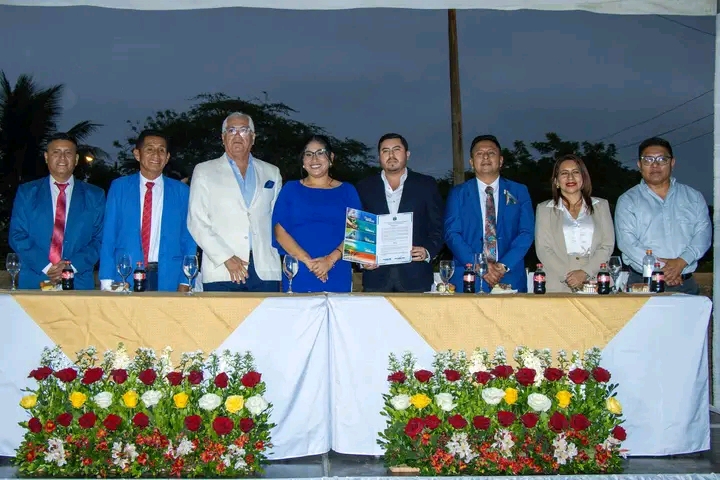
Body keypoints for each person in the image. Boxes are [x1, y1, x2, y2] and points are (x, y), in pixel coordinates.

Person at [188, 112, 282, 292]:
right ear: (223, 138)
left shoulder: (272, 172)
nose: (237, 135)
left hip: (265, 270)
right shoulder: (204, 171)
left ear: (253, 137)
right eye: (231, 130)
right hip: (222, 269)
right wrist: (226, 257)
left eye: (244, 130)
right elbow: (196, 221)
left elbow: (277, 221)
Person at [98, 130, 197, 292]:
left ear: (167, 157)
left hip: (169, 276)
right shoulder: (119, 187)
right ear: (137, 154)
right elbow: (109, 235)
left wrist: (186, 280)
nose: (156, 155)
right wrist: (107, 280)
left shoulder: (182, 191)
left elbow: (189, 238)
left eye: (161, 150)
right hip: (125, 274)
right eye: (150, 149)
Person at [8, 133, 105, 290]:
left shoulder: (95, 195)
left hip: (78, 282)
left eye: (68, 153)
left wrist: (70, 267)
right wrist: (46, 266)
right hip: (35, 280)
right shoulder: (27, 192)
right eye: (56, 152)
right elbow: (17, 235)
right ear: (46, 157)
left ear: (76, 159)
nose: (62, 158)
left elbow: (100, 239)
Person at [615, 137, 710, 294]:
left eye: (662, 159)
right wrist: (662, 269)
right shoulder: (628, 200)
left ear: (672, 163)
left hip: (684, 282)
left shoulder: (693, 197)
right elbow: (627, 243)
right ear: (639, 165)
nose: (655, 165)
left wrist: (681, 262)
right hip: (642, 283)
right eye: (648, 160)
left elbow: (703, 235)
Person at [271, 135, 362, 292]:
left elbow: (356, 232)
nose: (314, 159)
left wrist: (329, 261)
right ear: (303, 161)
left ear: (331, 158)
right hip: (298, 270)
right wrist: (309, 263)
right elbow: (279, 231)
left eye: (320, 152)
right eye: (308, 154)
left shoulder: (347, 191)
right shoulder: (290, 189)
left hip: (337, 269)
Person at [444, 135, 534, 292]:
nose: (485, 157)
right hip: (469, 277)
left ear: (501, 160)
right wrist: (480, 266)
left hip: (509, 275)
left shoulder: (519, 191)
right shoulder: (458, 194)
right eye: (479, 153)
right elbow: (452, 234)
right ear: (472, 162)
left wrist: (503, 265)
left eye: (491, 153)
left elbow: (526, 232)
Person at [355, 133, 444, 292]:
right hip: (376, 277)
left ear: (407, 154)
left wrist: (427, 251)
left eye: (396, 149)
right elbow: (358, 229)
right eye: (385, 151)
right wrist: (362, 259)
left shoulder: (426, 185)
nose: (391, 155)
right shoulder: (364, 187)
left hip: (416, 277)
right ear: (379, 157)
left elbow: (438, 227)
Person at [534, 154, 615, 292]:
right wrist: (569, 276)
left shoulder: (601, 205)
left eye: (575, 172)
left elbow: (607, 245)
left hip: (595, 278)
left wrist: (585, 272)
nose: (570, 177)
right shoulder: (544, 209)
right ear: (556, 181)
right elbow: (543, 249)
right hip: (558, 280)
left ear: (583, 178)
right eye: (564, 173)